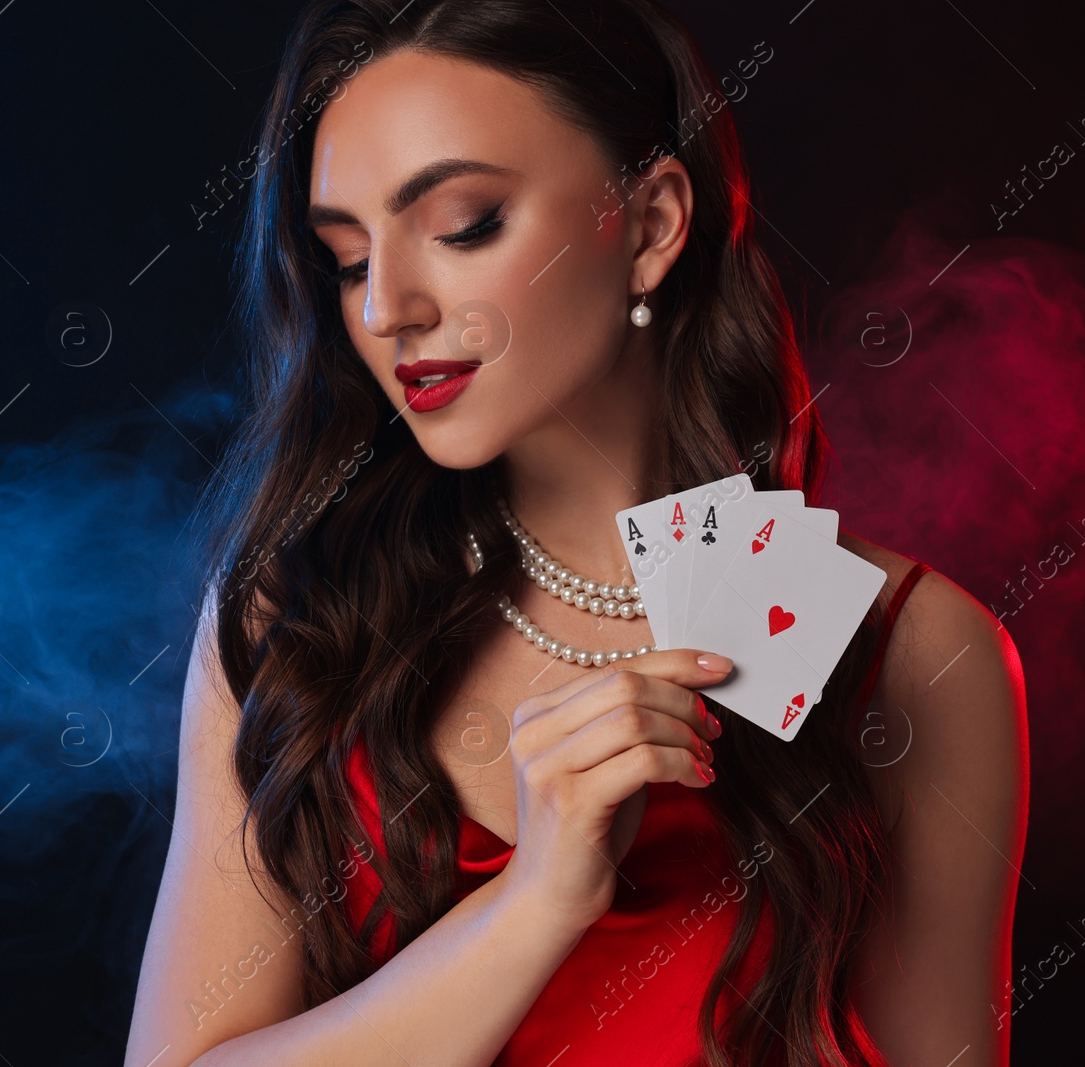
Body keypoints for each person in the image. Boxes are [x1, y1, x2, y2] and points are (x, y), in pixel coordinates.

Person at [124, 1, 1028, 1064]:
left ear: (648, 225)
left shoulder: (911, 652)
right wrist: (535, 902)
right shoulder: (298, 612)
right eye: (348, 260)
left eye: (461, 224)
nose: (386, 309)